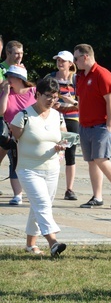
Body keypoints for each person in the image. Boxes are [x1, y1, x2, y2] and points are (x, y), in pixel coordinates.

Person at [9, 76, 68, 256]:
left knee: (39, 205)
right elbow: (13, 138)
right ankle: (53, 242)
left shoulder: (58, 116)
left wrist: (62, 147)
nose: (51, 100)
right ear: (38, 94)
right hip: (28, 169)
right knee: (42, 204)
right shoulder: (23, 115)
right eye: (48, 96)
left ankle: (30, 245)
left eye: (55, 96)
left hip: (52, 168)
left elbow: (65, 138)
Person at [73, 44, 111, 208]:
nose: (74, 62)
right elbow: (82, 101)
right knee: (92, 161)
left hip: (101, 125)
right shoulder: (81, 76)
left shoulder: (102, 74)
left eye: (76, 58)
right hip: (85, 125)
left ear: (85, 57)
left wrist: (109, 126)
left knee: (100, 159)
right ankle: (97, 197)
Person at [0, 64, 36, 205]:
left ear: (19, 78)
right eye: (7, 76)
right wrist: (6, 93)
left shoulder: (33, 91)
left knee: (31, 164)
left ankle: (32, 192)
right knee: (14, 163)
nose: (8, 79)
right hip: (13, 134)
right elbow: (1, 112)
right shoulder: (7, 93)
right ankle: (18, 195)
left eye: (11, 77)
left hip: (32, 134)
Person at [49, 51, 80, 200]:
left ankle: (69, 189)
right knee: (50, 151)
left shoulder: (76, 80)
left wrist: (67, 104)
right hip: (53, 119)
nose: (60, 63)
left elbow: (81, 104)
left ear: (70, 63)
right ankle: (47, 185)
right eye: (58, 60)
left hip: (72, 120)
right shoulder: (50, 78)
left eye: (63, 61)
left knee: (70, 154)